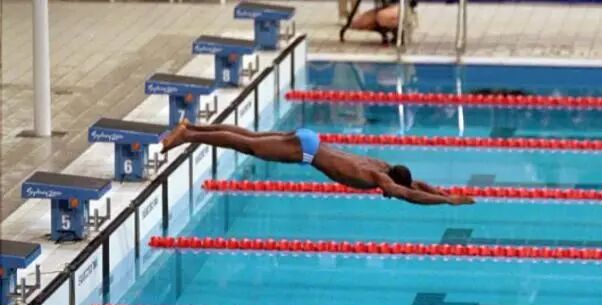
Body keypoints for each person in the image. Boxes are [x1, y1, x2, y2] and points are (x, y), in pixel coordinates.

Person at [162, 120, 474, 206]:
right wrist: (446, 202)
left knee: (251, 138)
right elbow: (410, 194)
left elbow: (415, 184)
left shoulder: (383, 166)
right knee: (248, 145)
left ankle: (191, 128)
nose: (389, 193)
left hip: (311, 140)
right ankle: (188, 135)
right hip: (306, 151)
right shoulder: (383, 180)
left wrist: (443, 193)